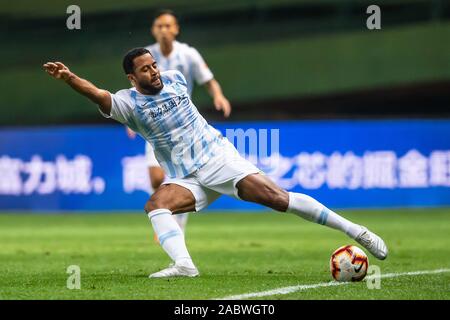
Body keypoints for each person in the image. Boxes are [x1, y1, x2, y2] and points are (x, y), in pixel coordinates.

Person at [43, 48, 388, 278]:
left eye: (154, 66)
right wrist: (70, 78)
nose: (154, 72)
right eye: (145, 70)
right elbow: (98, 94)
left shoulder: (176, 78)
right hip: (185, 177)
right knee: (156, 204)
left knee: (278, 199)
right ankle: (184, 265)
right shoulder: (127, 105)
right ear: (132, 79)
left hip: (219, 159)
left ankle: (356, 231)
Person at [127, 9, 231, 235]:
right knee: (155, 178)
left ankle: (176, 224)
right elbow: (134, 92)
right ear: (154, 30)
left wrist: (218, 96)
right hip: (154, 125)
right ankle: (164, 213)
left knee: (182, 178)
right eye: (159, 26)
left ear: (176, 29)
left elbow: (209, 80)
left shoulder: (188, 54)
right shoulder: (146, 56)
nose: (164, 30)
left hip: (183, 127)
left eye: (168, 26)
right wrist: (129, 120)